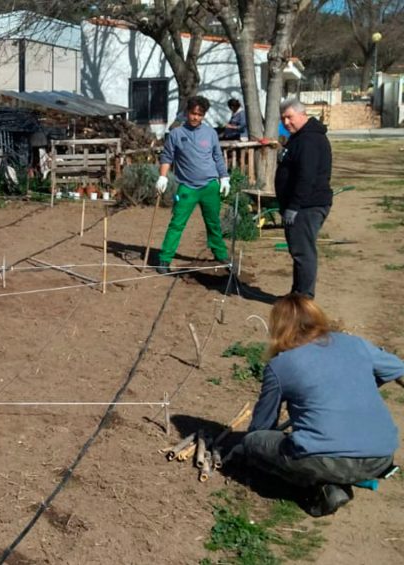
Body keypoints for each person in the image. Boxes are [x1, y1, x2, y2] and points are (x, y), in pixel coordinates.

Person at [238, 294, 402, 517]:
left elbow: (262, 427)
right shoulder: (355, 344)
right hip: (381, 457)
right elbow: (399, 370)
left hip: (325, 460)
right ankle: (336, 482)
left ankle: (322, 487)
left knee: (253, 443)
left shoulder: (280, 366)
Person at [154, 96, 231, 274]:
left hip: (210, 186)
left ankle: (220, 254)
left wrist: (224, 177)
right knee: (177, 223)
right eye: (193, 113)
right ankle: (164, 259)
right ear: (187, 112)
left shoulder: (210, 133)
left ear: (203, 115)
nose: (195, 117)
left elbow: (217, 157)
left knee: (213, 223)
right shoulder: (176, 134)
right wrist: (163, 177)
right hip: (186, 187)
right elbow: (167, 157)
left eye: (199, 114)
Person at [275, 98, 332, 298]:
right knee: (298, 253)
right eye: (283, 119)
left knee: (303, 254)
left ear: (302, 114)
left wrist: (294, 206)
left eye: (289, 117)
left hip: (307, 206)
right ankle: (297, 294)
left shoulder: (309, 139)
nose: (286, 122)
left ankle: (304, 298)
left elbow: (306, 176)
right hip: (302, 204)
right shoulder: (299, 137)